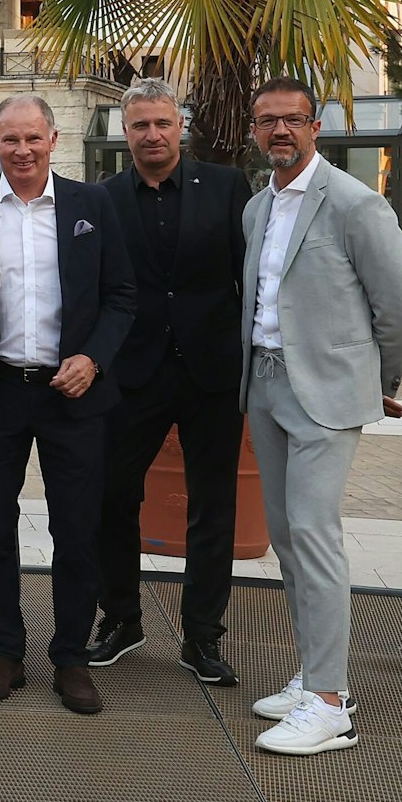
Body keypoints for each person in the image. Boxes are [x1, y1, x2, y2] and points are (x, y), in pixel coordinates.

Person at [0, 94, 135, 717]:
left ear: (53, 139)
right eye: (9, 140)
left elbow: (122, 296)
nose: (21, 151)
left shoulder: (90, 206)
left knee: (76, 528)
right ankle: (5, 651)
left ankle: (70, 658)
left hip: (72, 393)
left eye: (32, 139)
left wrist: (92, 358)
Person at [241, 77, 402, 756]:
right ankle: (312, 672)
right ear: (255, 130)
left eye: (291, 120)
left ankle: (330, 701)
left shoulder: (354, 203)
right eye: (266, 121)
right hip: (264, 385)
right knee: (287, 538)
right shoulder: (258, 208)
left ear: (315, 126)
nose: (278, 131)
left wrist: (380, 383)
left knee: (313, 534)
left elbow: (398, 309)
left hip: (324, 396)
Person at [90, 78, 249, 687]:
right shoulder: (102, 198)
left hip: (210, 371)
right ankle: (122, 620)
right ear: (124, 132)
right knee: (112, 497)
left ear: (179, 125)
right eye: (139, 126)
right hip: (131, 373)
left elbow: (248, 277)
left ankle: (202, 638)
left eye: (161, 123)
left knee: (214, 507)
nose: (152, 135)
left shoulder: (227, 186)